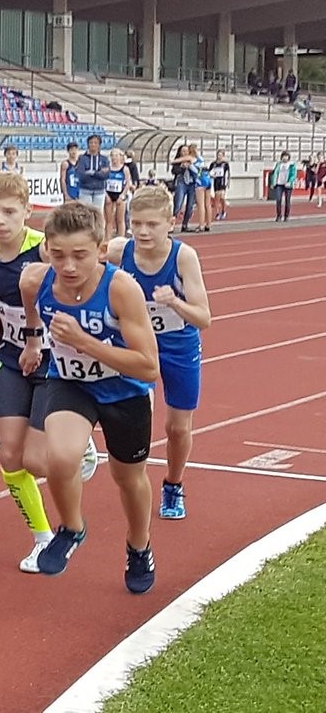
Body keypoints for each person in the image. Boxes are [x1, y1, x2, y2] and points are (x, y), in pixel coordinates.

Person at [17, 202, 160, 593]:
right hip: (71, 383)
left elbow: (148, 366)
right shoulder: (34, 280)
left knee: (128, 479)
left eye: (80, 256)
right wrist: (32, 344)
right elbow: (31, 314)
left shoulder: (120, 288)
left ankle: (138, 545)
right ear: (46, 249)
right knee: (60, 458)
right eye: (59, 255)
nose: (68, 266)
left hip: (124, 389)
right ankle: (73, 528)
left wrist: (84, 342)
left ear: (100, 250)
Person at [0, 172, 96, 572]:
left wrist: (39, 339)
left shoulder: (41, 249)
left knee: (38, 462)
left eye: (9, 212)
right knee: (8, 456)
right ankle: (41, 537)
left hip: (53, 359)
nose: (0, 220)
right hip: (13, 358)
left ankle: (80, 446)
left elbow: (66, 291)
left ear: (27, 213)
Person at [110, 188, 210, 521]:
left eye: (152, 224)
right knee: (135, 413)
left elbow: (204, 318)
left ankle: (173, 483)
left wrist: (175, 302)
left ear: (170, 223)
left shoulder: (184, 257)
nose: (142, 232)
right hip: (137, 345)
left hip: (178, 345)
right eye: (136, 223)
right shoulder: (118, 251)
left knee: (177, 428)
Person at [74, 135, 110, 212]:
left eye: (95, 143)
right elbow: (81, 176)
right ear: (88, 144)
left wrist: (92, 173)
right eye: (91, 142)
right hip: (85, 190)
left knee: (98, 214)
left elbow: (105, 176)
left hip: (99, 191)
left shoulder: (104, 159)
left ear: (99, 145)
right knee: (85, 214)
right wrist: (99, 172)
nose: (93, 144)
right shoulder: (82, 158)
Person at [104, 148, 131, 237]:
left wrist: (122, 195)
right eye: (112, 156)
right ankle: (108, 240)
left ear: (120, 157)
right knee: (109, 220)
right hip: (109, 193)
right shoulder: (107, 168)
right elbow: (103, 182)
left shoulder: (124, 169)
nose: (114, 158)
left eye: (116, 156)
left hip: (120, 194)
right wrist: (106, 195)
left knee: (120, 219)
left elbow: (127, 183)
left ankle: (121, 239)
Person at [270, 151, 298, 221]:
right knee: (278, 199)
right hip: (279, 184)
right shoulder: (279, 164)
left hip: (287, 185)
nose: (285, 158)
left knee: (287, 200)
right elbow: (275, 173)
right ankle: (279, 215)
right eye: (283, 156)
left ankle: (286, 216)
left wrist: (289, 181)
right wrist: (273, 183)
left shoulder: (291, 165)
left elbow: (293, 174)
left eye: (286, 156)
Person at [208, 150, 231, 222]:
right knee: (217, 198)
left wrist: (228, 182)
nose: (219, 157)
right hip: (216, 182)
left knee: (222, 197)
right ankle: (217, 213)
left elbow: (228, 173)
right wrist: (211, 176)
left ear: (223, 156)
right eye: (218, 155)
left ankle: (223, 211)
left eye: (221, 155)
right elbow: (209, 172)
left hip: (222, 182)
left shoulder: (225, 164)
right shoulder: (213, 164)